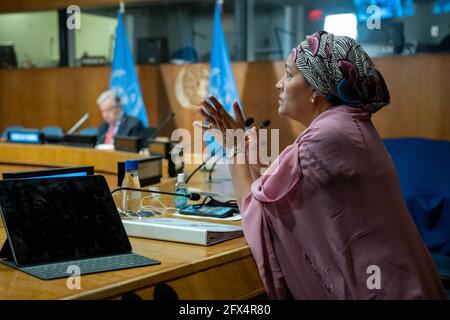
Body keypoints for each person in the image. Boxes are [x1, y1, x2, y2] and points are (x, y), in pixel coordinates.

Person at [197, 31, 446, 299]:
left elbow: (258, 215)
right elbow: (272, 198)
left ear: (316, 88)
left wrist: (233, 148)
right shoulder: (347, 124)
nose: (279, 84)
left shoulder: (325, 138)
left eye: (289, 75)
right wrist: (244, 151)